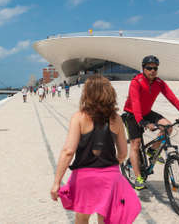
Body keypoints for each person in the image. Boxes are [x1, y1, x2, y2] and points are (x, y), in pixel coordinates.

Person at [51, 75, 141, 224]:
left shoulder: (79, 117)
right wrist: (110, 166)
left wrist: (56, 182)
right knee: (105, 217)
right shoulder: (116, 119)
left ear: (87, 94)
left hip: (84, 177)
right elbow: (123, 153)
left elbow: (68, 151)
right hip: (110, 178)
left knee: (82, 217)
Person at [123, 55, 179, 190]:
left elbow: (172, 98)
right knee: (135, 144)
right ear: (143, 69)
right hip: (132, 114)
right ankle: (138, 178)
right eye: (149, 68)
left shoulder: (159, 83)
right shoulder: (136, 82)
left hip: (147, 112)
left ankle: (152, 150)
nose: (152, 71)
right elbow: (136, 103)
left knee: (168, 127)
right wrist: (142, 122)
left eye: (155, 68)